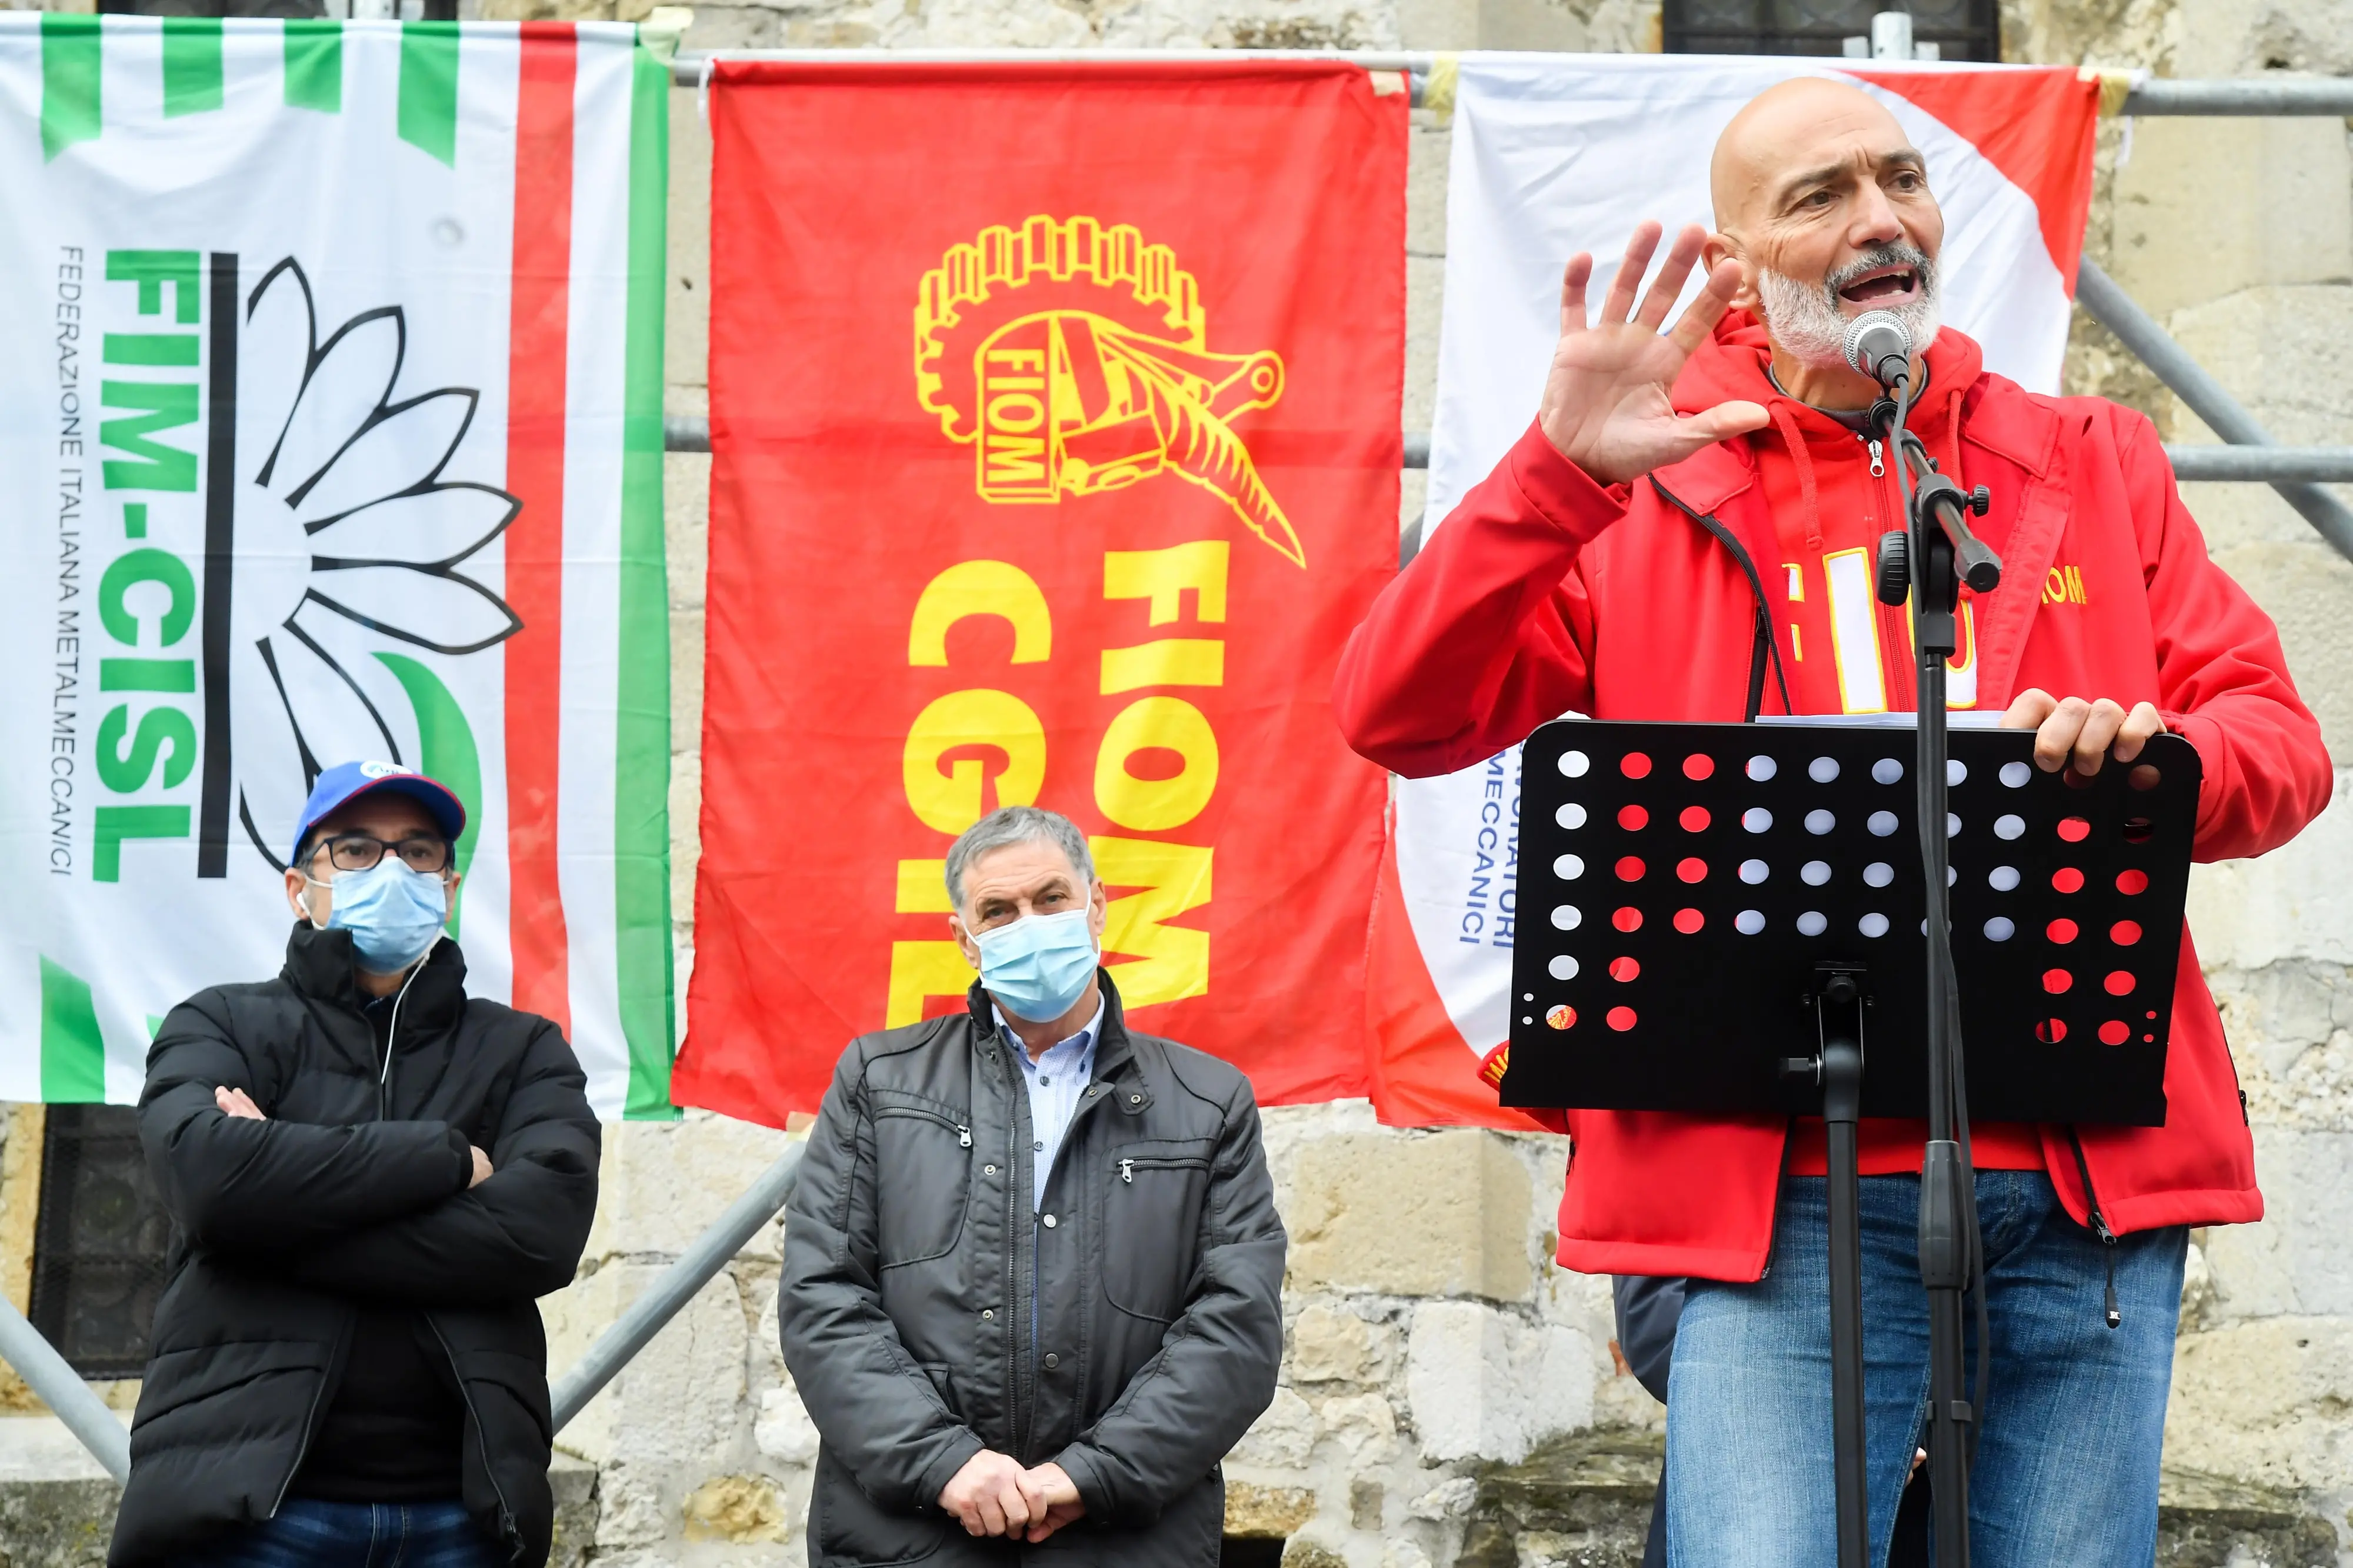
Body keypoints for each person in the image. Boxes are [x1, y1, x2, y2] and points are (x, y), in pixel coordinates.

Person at [1334, 76, 2333, 1567]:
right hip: (1780, 1196)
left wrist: (2156, 762)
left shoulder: (2089, 459)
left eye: (1899, 179)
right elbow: (1395, 712)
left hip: (2074, 1187)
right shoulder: (1642, 483)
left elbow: (2280, 743)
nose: (1879, 220)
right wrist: (1549, 481)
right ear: (1734, 263)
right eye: (1819, 196)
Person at [112, 761, 601, 1568]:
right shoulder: (222, 1022)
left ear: (446, 887)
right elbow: (208, 1183)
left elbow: (539, 1235)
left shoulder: (523, 1049)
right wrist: (444, 1154)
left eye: (416, 851)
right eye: (355, 849)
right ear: (299, 886)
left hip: (462, 1515)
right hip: (251, 1514)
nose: (391, 869)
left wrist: (277, 1210)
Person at [779, 805, 1285, 1566]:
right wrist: (944, 1461)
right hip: (911, 1535)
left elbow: (1235, 1325)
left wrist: (1090, 1475)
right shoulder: (879, 1081)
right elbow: (824, 1298)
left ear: (1096, 904)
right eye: (999, 910)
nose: (1030, 923)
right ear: (966, 939)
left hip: (1121, 1541)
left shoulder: (1209, 1101)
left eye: (1050, 898)